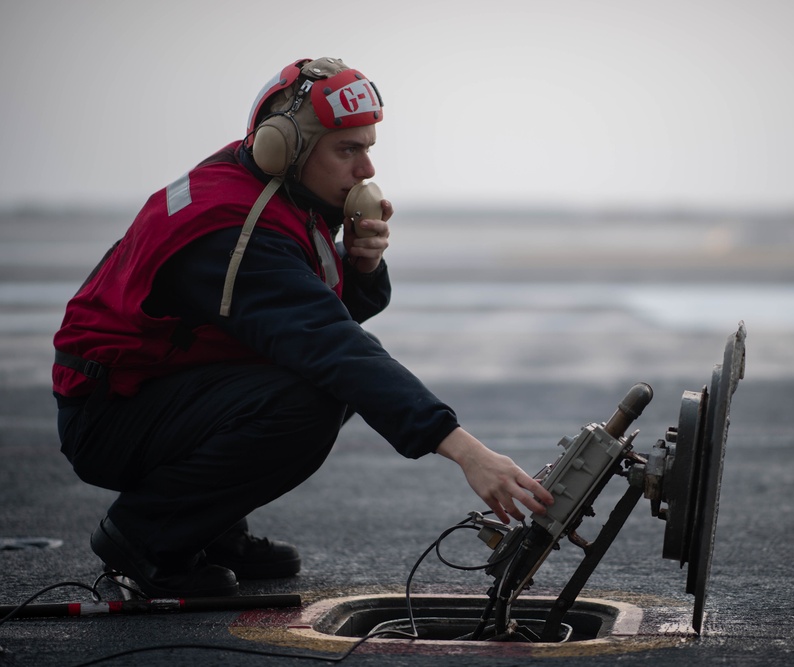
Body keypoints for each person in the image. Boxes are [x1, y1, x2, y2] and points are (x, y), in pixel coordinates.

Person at [52, 56, 553, 598]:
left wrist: (360, 266)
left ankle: (208, 526)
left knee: (319, 375)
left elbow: (299, 314)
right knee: (308, 398)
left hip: (149, 390)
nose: (366, 171)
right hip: (109, 417)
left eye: (367, 149)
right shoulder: (235, 231)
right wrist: (464, 450)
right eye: (348, 150)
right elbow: (327, 342)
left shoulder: (268, 187)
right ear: (285, 147)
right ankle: (146, 537)